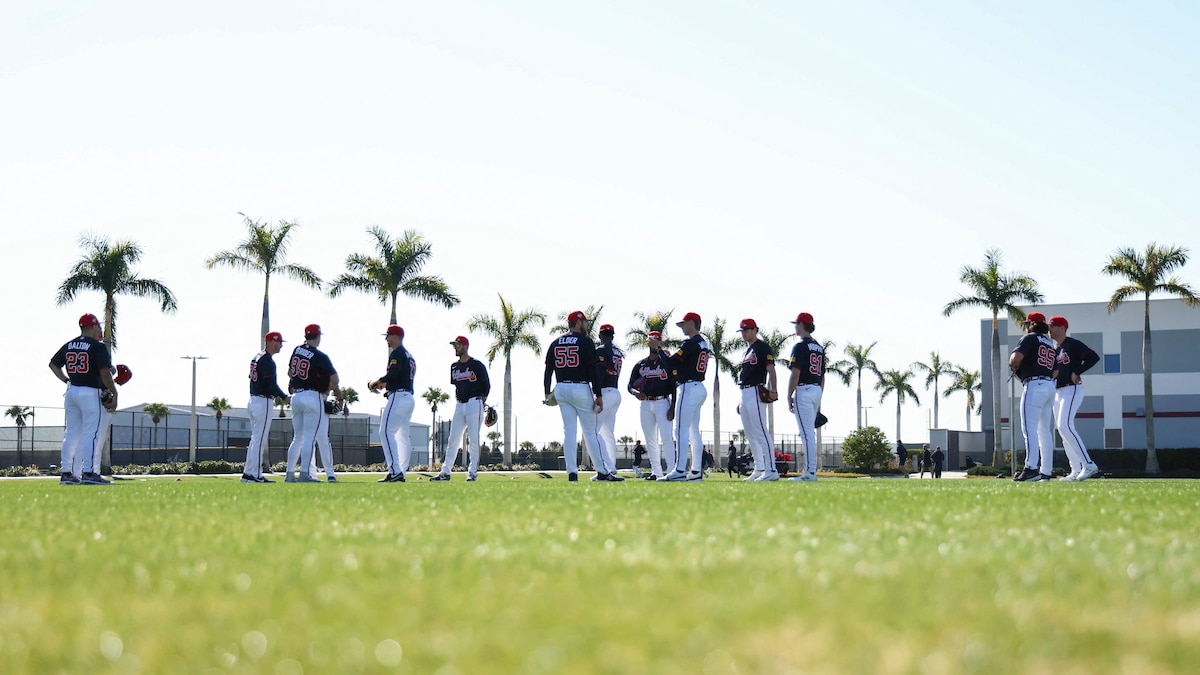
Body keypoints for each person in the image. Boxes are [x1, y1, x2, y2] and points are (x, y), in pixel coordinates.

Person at [544, 310, 620, 481]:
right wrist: (598, 394)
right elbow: (593, 370)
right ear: (578, 322)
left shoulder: (556, 342)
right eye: (584, 322)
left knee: (569, 432)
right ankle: (602, 471)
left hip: (561, 387)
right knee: (590, 432)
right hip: (580, 387)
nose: (586, 325)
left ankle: (572, 473)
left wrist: (547, 392)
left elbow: (548, 369)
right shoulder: (585, 342)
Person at [49, 313, 118, 485]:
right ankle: (89, 472)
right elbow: (104, 372)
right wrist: (113, 391)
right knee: (91, 433)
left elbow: (53, 364)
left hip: (72, 391)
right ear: (94, 326)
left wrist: (66, 380)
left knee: (71, 434)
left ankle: (66, 473)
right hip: (90, 392)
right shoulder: (97, 346)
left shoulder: (70, 344)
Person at [285, 324, 343, 483]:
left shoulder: (296, 349)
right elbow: (335, 380)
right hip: (312, 396)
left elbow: (290, 372)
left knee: (297, 438)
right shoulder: (320, 356)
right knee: (309, 437)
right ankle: (304, 473)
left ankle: (289, 474)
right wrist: (326, 390)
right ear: (317, 337)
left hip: (296, 396)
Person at [1049, 315, 1102, 482]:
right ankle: (1075, 469)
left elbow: (1093, 357)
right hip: (1057, 391)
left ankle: (1088, 464)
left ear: (1062, 327)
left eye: (1052, 326)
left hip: (1071, 389)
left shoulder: (1072, 344)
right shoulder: (1055, 348)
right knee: (1062, 430)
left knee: (1065, 425)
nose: (1049, 329)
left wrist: (1077, 371)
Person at [431, 335, 491, 482]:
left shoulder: (477, 365)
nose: (455, 348)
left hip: (474, 403)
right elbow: (457, 386)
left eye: (457, 346)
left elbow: (486, 385)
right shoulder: (454, 366)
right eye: (454, 346)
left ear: (465, 346)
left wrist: (482, 401)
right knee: (453, 439)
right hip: (459, 404)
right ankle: (445, 472)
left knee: (473, 439)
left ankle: (472, 473)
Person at [1010, 311, 1057, 482]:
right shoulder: (1049, 343)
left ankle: (1031, 468)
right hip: (1049, 385)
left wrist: (1016, 369)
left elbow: (1015, 359)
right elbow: (1056, 370)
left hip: (1034, 385)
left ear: (1031, 324)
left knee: (1029, 428)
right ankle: (1046, 471)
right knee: (1044, 431)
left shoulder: (1029, 338)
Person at [665, 312, 711, 481]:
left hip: (689, 387)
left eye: (684, 324)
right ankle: (696, 471)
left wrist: (659, 351)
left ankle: (679, 470)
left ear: (692, 323)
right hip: (699, 387)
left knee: (680, 430)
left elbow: (671, 362)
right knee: (693, 431)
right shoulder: (703, 343)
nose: (682, 327)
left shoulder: (691, 343)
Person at [628, 329, 677, 481]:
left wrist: (673, 407)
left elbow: (675, 386)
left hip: (663, 402)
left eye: (657, 340)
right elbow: (630, 385)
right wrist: (636, 393)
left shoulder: (666, 363)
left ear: (660, 342)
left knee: (667, 438)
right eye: (651, 339)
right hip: (646, 404)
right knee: (650, 439)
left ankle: (671, 471)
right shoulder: (641, 364)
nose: (654, 342)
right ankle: (657, 472)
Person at [369, 325, 416, 483]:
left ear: (395, 336)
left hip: (399, 396)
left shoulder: (397, 352)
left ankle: (395, 470)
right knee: (403, 436)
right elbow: (399, 376)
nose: (386, 339)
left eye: (388, 335)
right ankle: (401, 470)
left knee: (385, 432)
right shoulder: (409, 355)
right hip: (408, 397)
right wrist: (384, 385)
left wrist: (378, 381)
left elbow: (393, 373)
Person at [736, 318, 780, 481]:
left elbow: (771, 369)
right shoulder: (747, 351)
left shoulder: (762, 347)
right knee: (750, 433)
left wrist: (773, 390)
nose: (744, 333)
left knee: (761, 430)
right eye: (742, 330)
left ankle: (771, 469)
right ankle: (759, 467)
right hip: (745, 392)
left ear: (755, 330)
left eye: (747, 329)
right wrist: (740, 401)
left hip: (756, 390)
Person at [244, 331, 290, 483]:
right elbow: (271, 384)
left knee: (255, 439)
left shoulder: (257, 357)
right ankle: (255, 474)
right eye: (279, 342)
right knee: (260, 440)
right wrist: (284, 397)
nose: (281, 346)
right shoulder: (267, 360)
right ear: (271, 342)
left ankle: (248, 473)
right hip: (262, 401)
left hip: (254, 400)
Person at [786, 312, 824, 482]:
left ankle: (810, 473)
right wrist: (820, 397)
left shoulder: (800, 346)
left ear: (802, 325)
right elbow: (823, 376)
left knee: (806, 433)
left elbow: (795, 374)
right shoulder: (819, 347)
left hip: (804, 390)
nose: (795, 326)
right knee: (810, 433)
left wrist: (789, 394)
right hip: (816, 389)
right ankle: (810, 471)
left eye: (797, 324)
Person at [595, 324, 625, 477]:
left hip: (605, 391)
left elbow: (599, 372)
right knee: (608, 433)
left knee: (593, 430)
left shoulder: (601, 349)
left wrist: (596, 393)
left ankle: (606, 466)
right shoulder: (618, 352)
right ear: (612, 335)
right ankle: (612, 466)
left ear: (600, 335)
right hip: (615, 391)